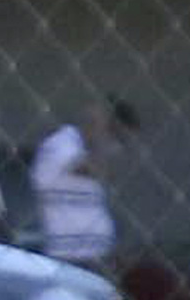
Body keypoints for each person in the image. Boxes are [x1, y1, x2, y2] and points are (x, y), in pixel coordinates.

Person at [26, 97, 132, 269]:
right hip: (71, 258)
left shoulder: (87, 150)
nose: (118, 147)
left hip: (99, 255)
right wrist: (100, 135)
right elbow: (91, 169)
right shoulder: (61, 143)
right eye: (117, 137)